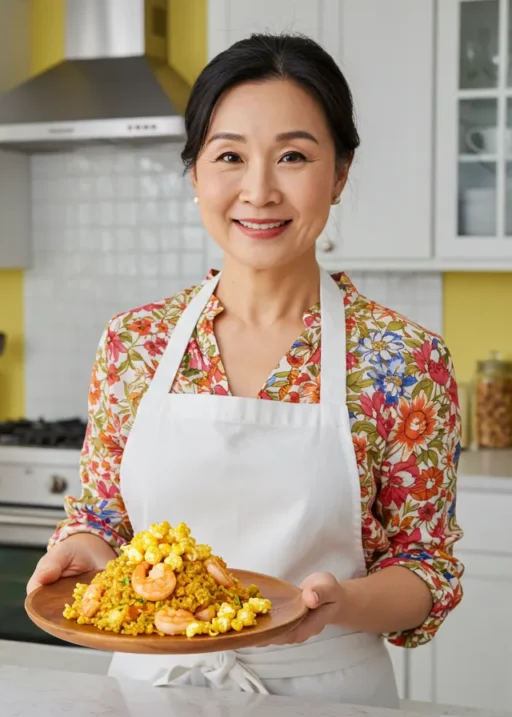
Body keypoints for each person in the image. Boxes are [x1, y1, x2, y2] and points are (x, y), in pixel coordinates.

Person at [26, 32, 464, 708]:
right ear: (196, 172)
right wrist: (83, 546)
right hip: (151, 690)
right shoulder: (134, 344)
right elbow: (101, 516)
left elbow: (426, 570)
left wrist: (340, 601)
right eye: (229, 155)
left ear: (340, 173)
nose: (259, 191)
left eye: (293, 156)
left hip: (330, 691)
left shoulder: (402, 361)